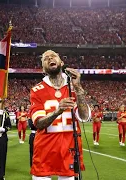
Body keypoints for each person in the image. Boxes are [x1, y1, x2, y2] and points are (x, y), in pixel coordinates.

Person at [29, 50, 91, 180]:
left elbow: (84, 117)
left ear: (61, 62)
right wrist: (58, 111)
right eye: (46, 58)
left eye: (53, 56)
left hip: (69, 151)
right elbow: (39, 123)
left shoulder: (73, 87)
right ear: (43, 68)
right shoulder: (37, 91)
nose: (50, 58)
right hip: (44, 151)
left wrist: (78, 88)